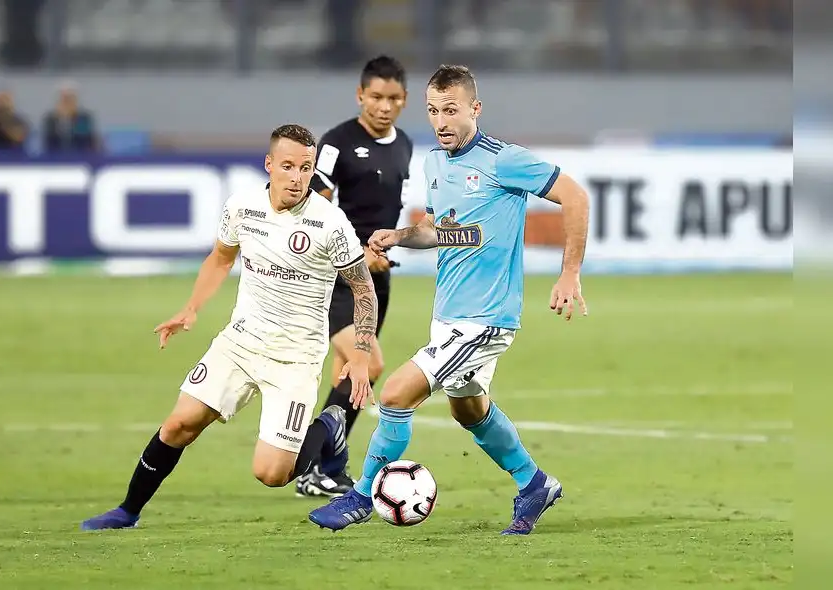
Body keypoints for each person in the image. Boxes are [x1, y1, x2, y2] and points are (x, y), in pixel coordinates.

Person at [308, 65, 591, 535]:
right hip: (449, 315)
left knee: (396, 393)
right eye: (433, 111)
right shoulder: (436, 163)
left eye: (451, 110)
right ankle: (534, 483)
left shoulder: (503, 160)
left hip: (485, 318)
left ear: (474, 109)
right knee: (470, 409)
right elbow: (438, 229)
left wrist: (570, 272)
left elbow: (575, 197)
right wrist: (399, 236)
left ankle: (359, 496)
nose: (441, 121)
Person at [81, 124, 379, 530]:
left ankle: (329, 427)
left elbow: (363, 289)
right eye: (287, 166)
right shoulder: (242, 206)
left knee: (271, 473)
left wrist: (360, 356)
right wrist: (190, 309)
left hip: (295, 358)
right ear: (269, 164)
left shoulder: (330, 222)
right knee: (179, 424)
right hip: (240, 342)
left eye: (305, 168)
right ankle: (127, 511)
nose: (297, 177)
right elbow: (221, 258)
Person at [295, 55, 415, 499]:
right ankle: (311, 466)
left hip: (377, 278)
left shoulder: (404, 144)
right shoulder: (336, 143)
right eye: (376, 97)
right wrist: (357, 252)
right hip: (336, 276)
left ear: (404, 100)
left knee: (345, 374)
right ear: (360, 95)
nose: (384, 106)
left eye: (393, 98)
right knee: (370, 364)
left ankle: (323, 469)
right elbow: (313, 208)